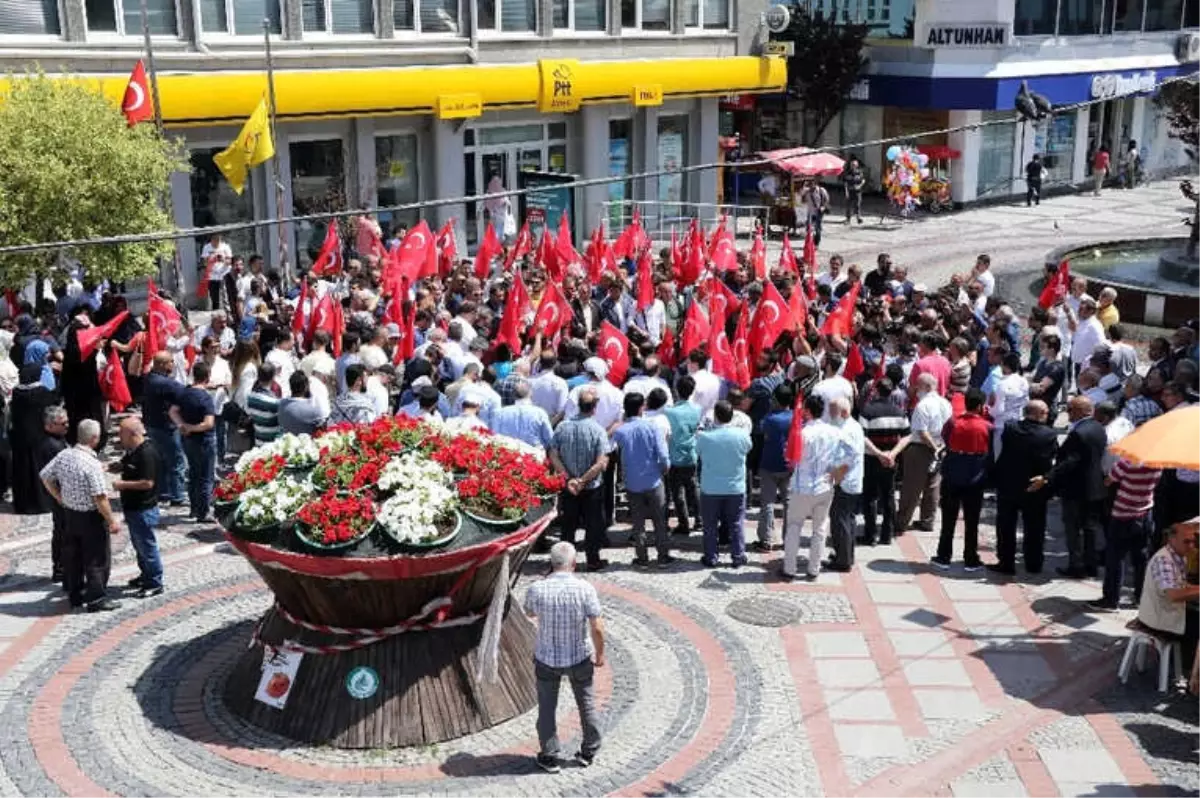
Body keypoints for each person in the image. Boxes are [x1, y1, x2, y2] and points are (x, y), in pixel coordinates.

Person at [523, 541, 605, 773]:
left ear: (551, 563)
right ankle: (589, 750)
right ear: (574, 564)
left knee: (547, 709)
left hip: (547, 658)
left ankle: (549, 755)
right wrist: (599, 655)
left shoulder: (537, 589)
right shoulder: (585, 589)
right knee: (587, 705)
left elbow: (529, 612)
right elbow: (597, 627)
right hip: (579, 656)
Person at [39, 419, 121, 612]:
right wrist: (111, 520)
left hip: (70, 514)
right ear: (94, 438)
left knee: (73, 556)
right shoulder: (91, 464)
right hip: (90, 517)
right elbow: (100, 497)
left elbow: (45, 476)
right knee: (96, 558)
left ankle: (74, 594)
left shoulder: (65, 455)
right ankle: (96, 598)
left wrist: (60, 497)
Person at [1030, 395, 1107, 579]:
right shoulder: (1098, 427)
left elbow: (1069, 462)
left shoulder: (1079, 434)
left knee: (1073, 529)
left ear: (1081, 411)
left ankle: (1076, 565)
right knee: (1090, 529)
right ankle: (1091, 564)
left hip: (1077, 489)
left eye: (1071, 410)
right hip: (1095, 488)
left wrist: (1048, 477)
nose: (1068, 414)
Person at [782, 395, 849, 581]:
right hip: (824, 485)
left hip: (802, 486)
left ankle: (789, 567)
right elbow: (843, 457)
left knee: (794, 526)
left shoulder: (802, 433)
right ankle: (814, 568)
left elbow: (790, 459)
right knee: (820, 528)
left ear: (808, 411)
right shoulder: (834, 432)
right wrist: (837, 476)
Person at [991, 401, 1057, 576]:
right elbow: (1050, 458)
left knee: (1006, 525)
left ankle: (1006, 562)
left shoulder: (1011, 428)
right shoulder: (1048, 434)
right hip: (1034, 487)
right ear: (1039, 414)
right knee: (1035, 527)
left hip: (1008, 484)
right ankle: (1034, 564)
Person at [550, 387, 611, 572]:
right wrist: (582, 480)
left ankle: (565, 562)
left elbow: (553, 454)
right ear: (594, 408)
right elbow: (601, 462)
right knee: (593, 525)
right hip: (591, 486)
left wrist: (569, 478)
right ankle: (593, 560)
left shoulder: (562, 427)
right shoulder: (598, 430)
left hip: (569, 485)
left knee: (568, 524)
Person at [1090, 456, 1162, 611]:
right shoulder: (1158, 463)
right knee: (1141, 559)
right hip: (1145, 514)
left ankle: (1111, 599)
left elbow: (1109, 480)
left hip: (1123, 516)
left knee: (1115, 559)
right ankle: (1140, 597)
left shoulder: (1127, 462)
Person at [932, 389, 992, 571]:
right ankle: (970, 558)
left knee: (948, 519)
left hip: (952, 476)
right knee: (972, 521)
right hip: (975, 478)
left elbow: (945, 437)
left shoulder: (953, 423)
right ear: (981, 406)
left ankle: (943, 556)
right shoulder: (987, 426)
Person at [611, 393, 673, 568]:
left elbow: (614, 449)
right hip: (653, 479)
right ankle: (663, 556)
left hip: (632, 481)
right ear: (641, 407)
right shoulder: (653, 427)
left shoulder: (621, 431)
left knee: (638, 522)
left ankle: (642, 557)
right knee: (660, 520)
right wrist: (665, 468)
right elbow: (663, 454)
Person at [1134, 519, 1200, 677]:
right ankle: (1191, 671)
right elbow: (1174, 595)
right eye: (1187, 542)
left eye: (1193, 541)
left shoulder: (1179, 555)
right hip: (1159, 619)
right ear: (1172, 539)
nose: (1191, 546)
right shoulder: (1164, 561)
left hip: (1163, 610)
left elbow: (1181, 586)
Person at [695, 400, 753, 568]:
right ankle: (738, 555)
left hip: (711, 487)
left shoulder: (705, 437)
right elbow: (748, 448)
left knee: (710, 525)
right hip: (735, 487)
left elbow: (698, 452)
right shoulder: (741, 435)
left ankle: (711, 557)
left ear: (715, 416)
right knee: (736, 523)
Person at [113, 417, 163, 599]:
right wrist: (112, 466)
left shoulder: (147, 453)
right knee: (139, 545)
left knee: (147, 546)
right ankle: (145, 575)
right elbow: (126, 464)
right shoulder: (133, 451)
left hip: (143, 508)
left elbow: (147, 483)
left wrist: (122, 485)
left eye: (121, 433)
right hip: (133, 507)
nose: (119, 437)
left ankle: (154, 582)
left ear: (132, 434)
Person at [897, 374, 952, 533]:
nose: (915, 389)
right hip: (940, 446)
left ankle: (902, 521)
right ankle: (927, 520)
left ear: (927, 387)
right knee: (933, 485)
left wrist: (934, 447)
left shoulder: (923, 405)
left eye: (918, 386)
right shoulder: (945, 403)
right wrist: (940, 448)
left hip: (921, 448)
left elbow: (922, 432)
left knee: (911, 488)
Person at [859, 378, 909, 546]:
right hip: (890, 461)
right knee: (888, 496)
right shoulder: (900, 412)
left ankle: (870, 535)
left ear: (876, 391)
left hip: (872, 459)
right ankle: (887, 535)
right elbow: (907, 436)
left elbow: (863, 437)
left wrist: (879, 454)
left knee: (870, 497)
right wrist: (892, 454)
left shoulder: (867, 411)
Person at [10, 364, 60, 515]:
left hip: (20, 438)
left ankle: (23, 504)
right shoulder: (41, 392)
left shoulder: (17, 392)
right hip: (38, 437)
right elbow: (54, 400)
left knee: (22, 471)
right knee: (38, 469)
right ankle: (41, 503)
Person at [172, 362, 218, 524]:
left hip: (188, 440)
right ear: (207, 377)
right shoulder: (205, 398)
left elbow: (173, 411)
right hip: (204, 440)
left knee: (193, 474)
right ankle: (203, 512)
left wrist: (181, 425)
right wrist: (191, 427)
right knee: (206, 477)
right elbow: (208, 423)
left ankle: (193, 509)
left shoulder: (184, 392)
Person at [142, 352, 187, 507]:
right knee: (176, 461)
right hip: (166, 428)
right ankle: (177, 495)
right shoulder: (165, 384)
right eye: (170, 362)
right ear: (162, 364)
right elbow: (186, 393)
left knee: (160, 460)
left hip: (152, 425)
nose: (173, 365)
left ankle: (163, 492)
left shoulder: (148, 378)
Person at [754, 384, 794, 553]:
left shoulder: (770, 419)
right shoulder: (795, 417)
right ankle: (789, 539)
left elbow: (761, 428)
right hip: (789, 465)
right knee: (789, 504)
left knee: (768, 503)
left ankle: (767, 539)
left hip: (770, 465)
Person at [826, 396, 864, 572]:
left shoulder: (847, 430)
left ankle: (843, 560)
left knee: (840, 520)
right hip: (851, 480)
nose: (830, 414)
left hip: (846, 481)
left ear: (843, 411)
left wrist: (836, 476)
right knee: (847, 519)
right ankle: (846, 554)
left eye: (833, 410)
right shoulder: (853, 426)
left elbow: (849, 457)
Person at [664, 375, 702, 537]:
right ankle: (700, 520)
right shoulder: (697, 409)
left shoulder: (670, 412)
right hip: (691, 454)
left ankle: (683, 523)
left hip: (674, 456)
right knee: (694, 488)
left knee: (677, 492)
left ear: (677, 391)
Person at [38, 406, 70, 582]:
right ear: (49, 426)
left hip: (63, 495)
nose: (67, 425)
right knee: (62, 531)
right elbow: (51, 476)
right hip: (60, 496)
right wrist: (60, 497)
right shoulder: (50, 446)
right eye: (62, 423)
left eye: (67, 421)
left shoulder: (59, 440)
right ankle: (60, 567)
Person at [491, 379, 554, 452]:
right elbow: (550, 439)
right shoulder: (540, 413)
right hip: (534, 456)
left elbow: (495, 436)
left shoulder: (501, 413)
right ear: (530, 393)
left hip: (508, 455)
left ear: (513, 394)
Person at [246, 361, 282, 447]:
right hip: (273, 445)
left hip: (258, 442)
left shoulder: (250, 397)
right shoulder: (274, 402)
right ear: (273, 377)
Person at [842, 156, 865, 224]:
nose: (853, 166)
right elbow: (845, 183)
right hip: (850, 191)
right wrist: (846, 192)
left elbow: (863, 180)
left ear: (857, 165)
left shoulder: (859, 172)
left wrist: (860, 186)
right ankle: (848, 219)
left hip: (857, 191)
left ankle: (858, 218)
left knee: (857, 205)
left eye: (854, 165)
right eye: (852, 165)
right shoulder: (847, 172)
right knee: (848, 206)